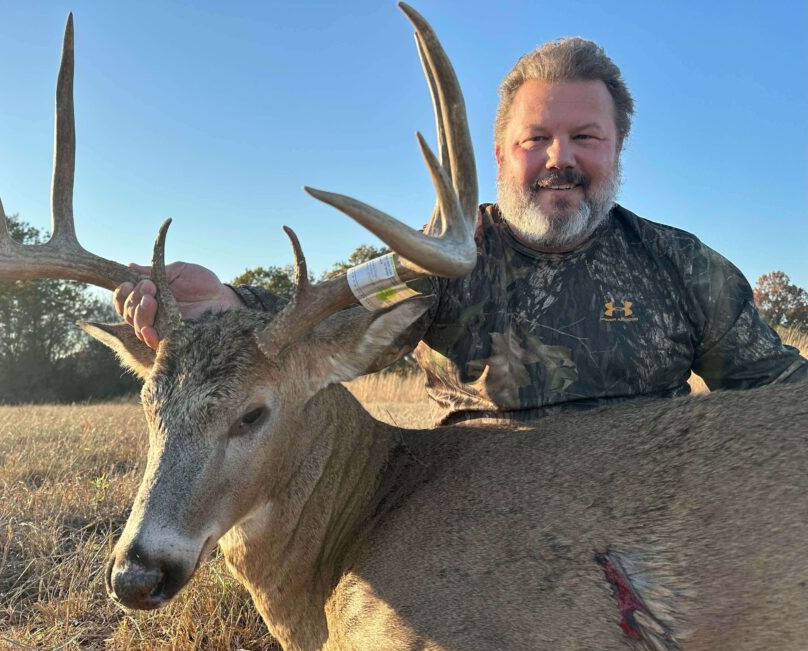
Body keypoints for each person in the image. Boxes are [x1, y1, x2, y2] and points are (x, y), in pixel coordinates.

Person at [113, 37, 806, 424]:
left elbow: (778, 390)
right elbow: (337, 322)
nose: (559, 159)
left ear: (616, 151)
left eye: (585, 137)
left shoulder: (682, 265)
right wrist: (229, 307)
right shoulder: (439, 261)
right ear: (502, 154)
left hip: (653, 512)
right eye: (537, 139)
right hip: (476, 510)